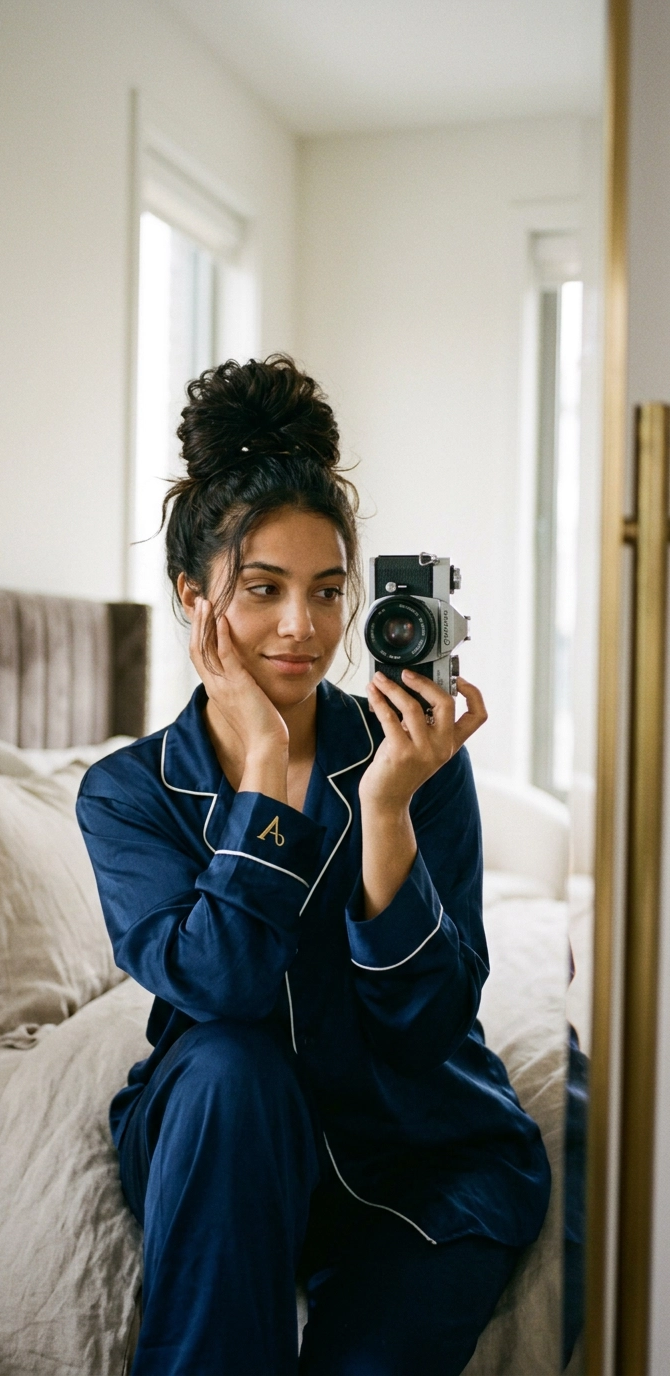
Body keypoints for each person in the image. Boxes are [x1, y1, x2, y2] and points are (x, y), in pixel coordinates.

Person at [76, 355, 550, 1376]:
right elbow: (226, 985)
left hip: (417, 1154)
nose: (303, 627)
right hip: (226, 1136)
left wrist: (385, 805)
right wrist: (267, 779)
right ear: (192, 598)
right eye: (263, 589)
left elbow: (428, 1027)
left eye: (327, 591)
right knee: (225, 1061)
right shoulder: (127, 793)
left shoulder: (411, 758)